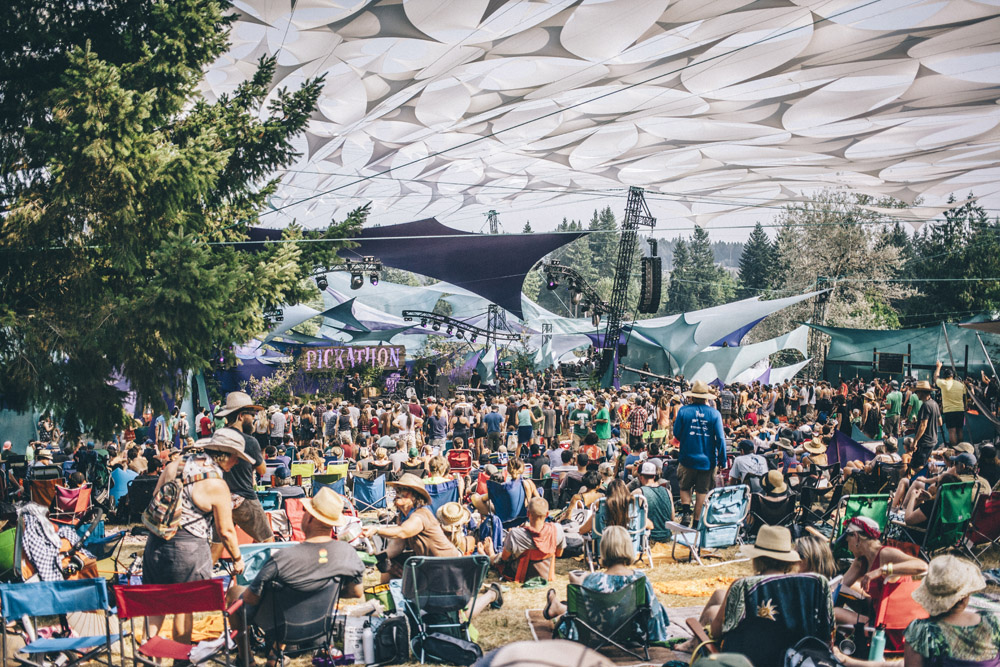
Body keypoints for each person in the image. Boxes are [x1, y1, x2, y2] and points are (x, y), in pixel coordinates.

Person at [142, 430, 248, 646]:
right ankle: (181, 658)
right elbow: (226, 531)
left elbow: (156, 500)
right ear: (225, 454)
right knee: (184, 610)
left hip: (156, 544)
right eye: (236, 457)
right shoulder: (216, 483)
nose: (237, 462)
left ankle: (148, 657)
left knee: (155, 608)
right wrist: (237, 558)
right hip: (188, 550)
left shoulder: (175, 466)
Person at [543, 525, 669, 644]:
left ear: (603, 548)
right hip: (629, 634)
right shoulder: (640, 580)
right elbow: (653, 612)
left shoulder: (592, 580)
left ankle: (558, 607)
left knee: (571, 609)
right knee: (657, 605)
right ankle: (558, 606)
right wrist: (656, 639)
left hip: (595, 634)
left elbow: (580, 616)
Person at [361, 473, 461, 582]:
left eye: (403, 489)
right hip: (430, 564)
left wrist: (376, 529)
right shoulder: (402, 516)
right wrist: (378, 558)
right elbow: (398, 543)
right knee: (390, 566)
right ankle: (387, 595)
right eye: (397, 489)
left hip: (447, 565)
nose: (397, 492)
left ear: (415, 496)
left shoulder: (420, 515)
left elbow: (403, 532)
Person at [214, 392, 274, 549]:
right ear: (241, 416)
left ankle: (203, 574)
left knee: (217, 544)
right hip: (244, 499)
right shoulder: (249, 441)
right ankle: (268, 573)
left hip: (221, 500)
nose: (254, 418)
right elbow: (262, 470)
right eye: (252, 414)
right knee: (267, 542)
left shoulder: (218, 436)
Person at [673, 380, 727, 527]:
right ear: (707, 397)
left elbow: (676, 433)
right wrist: (723, 460)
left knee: (684, 486)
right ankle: (696, 523)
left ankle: (685, 512)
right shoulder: (715, 414)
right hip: (708, 460)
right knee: (702, 492)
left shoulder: (684, 411)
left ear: (692, 396)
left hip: (687, 457)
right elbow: (721, 439)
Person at [486, 497, 566, 581]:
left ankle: (490, 553)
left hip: (519, 575)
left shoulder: (515, 534)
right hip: (545, 574)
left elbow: (504, 558)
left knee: (497, 558)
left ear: (528, 514)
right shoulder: (557, 529)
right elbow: (558, 554)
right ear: (547, 514)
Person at [636, 461, 674, 544]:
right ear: (654, 476)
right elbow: (672, 518)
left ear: (640, 476)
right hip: (666, 537)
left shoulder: (638, 493)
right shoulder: (667, 492)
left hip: (648, 539)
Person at [935, 361, 967, 447]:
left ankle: (954, 449)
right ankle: (961, 448)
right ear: (952, 376)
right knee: (960, 430)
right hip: (960, 410)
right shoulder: (961, 385)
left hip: (949, 411)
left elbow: (935, 378)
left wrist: (938, 367)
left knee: (952, 431)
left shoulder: (944, 383)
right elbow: (964, 397)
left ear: (945, 377)